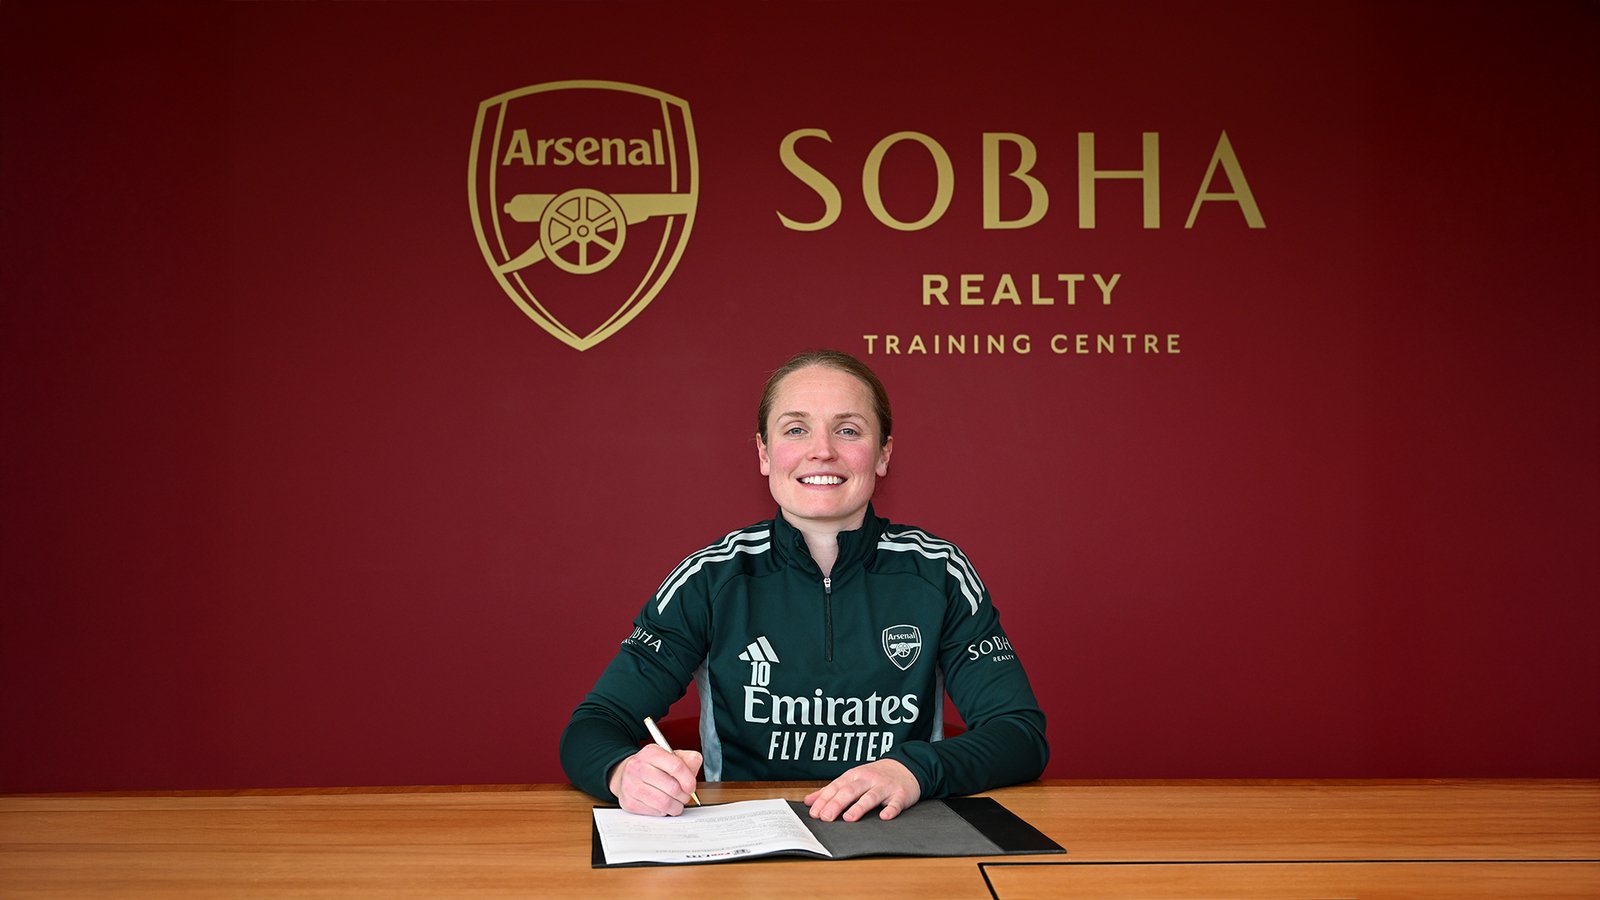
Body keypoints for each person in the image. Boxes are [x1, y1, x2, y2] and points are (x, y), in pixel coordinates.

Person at [559, 349, 1047, 822]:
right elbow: (595, 724)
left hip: (899, 833)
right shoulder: (710, 577)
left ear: (883, 454)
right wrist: (623, 772)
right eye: (796, 429)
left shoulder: (939, 571)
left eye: (848, 430)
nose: (822, 450)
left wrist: (913, 771)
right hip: (748, 840)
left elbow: (1020, 734)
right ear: (764, 453)